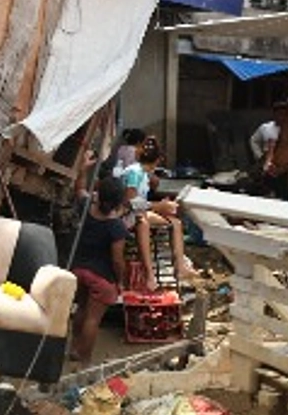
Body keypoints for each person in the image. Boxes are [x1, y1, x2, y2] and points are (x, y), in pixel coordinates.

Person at [69, 176, 130, 363]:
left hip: (78, 270)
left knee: (80, 309)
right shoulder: (116, 227)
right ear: (119, 201)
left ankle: (73, 348)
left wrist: (84, 168)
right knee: (93, 319)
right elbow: (118, 261)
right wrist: (120, 281)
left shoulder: (86, 207)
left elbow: (79, 188)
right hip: (101, 277)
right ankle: (84, 358)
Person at [120, 144, 196, 286]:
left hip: (138, 212)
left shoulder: (142, 173)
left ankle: (180, 266)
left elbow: (141, 202)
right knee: (143, 222)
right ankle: (149, 274)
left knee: (175, 222)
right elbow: (130, 202)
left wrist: (160, 206)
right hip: (126, 215)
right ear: (158, 160)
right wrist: (157, 206)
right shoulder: (134, 173)